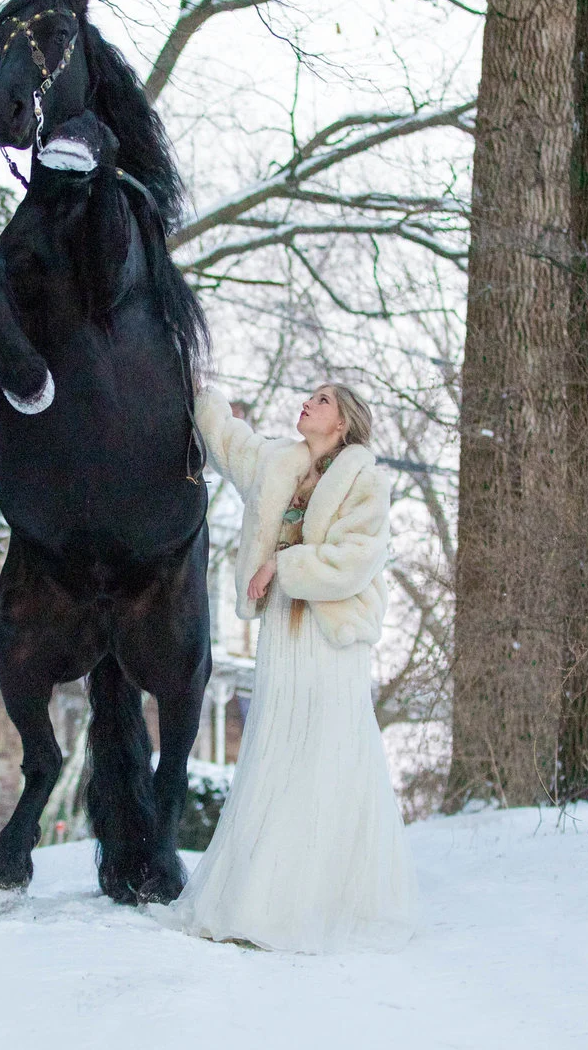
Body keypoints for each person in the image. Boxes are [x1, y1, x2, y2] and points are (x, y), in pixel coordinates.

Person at [167, 382, 416, 952]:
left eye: (323, 400)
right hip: (282, 630)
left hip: (332, 636)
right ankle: (258, 900)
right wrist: (199, 389)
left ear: (343, 422)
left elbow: (354, 561)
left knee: (326, 754)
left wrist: (281, 564)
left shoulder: (366, 481)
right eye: (309, 396)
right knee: (275, 752)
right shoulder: (278, 460)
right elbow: (227, 441)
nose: (308, 402)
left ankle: (318, 904)